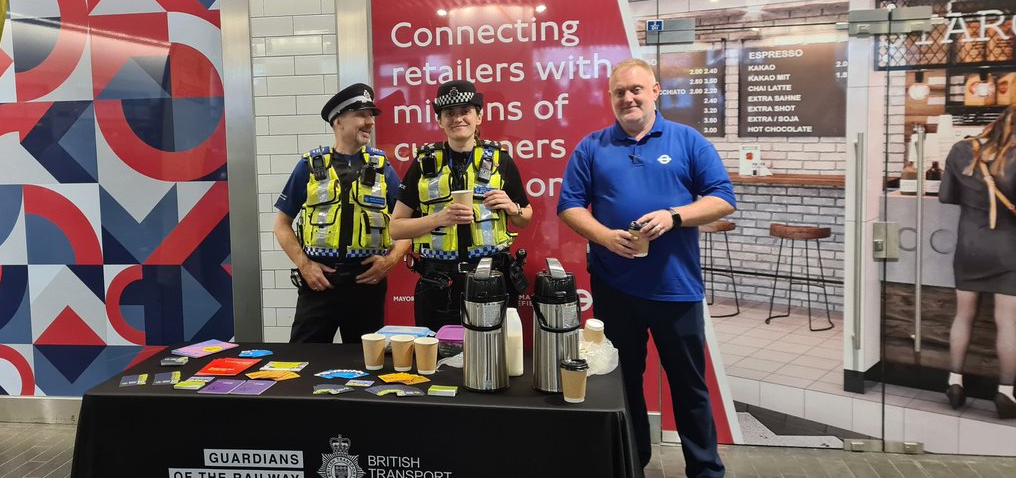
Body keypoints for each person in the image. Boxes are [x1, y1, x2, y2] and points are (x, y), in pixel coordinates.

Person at [557, 59, 734, 477]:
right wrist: (603, 236)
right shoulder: (593, 146)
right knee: (623, 384)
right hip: (616, 289)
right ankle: (631, 462)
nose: (628, 98)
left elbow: (722, 197)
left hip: (677, 290)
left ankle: (706, 470)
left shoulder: (688, 140)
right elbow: (568, 205)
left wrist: (674, 215)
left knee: (689, 387)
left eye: (636, 89)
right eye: (619, 92)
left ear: (656, 91)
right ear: (610, 97)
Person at [389, 80, 532, 331]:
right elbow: (396, 228)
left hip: (491, 278)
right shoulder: (423, 163)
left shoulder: (500, 160)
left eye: (465, 111)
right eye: (449, 113)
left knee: (492, 359)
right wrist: (438, 219)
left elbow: (525, 217)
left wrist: (513, 208)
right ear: (440, 121)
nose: (458, 119)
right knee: (436, 363)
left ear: (479, 116)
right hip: (437, 285)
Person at [273, 84, 409, 344]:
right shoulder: (310, 167)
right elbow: (281, 224)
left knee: (366, 363)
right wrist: (305, 265)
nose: (370, 122)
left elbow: (407, 225)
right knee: (305, 358)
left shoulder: (383, 168)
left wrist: (390, 260)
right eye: (361, 114)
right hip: (319, 283)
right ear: (338, 121)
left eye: (371, 115)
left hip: (366, 285)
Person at [939, 104, 1016, 419]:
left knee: (963, 316)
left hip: (969, 245)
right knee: (1008, 323)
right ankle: (1006, 392)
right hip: (1008, 248)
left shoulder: (961, 150)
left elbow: (945, 195)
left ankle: (954, 383)